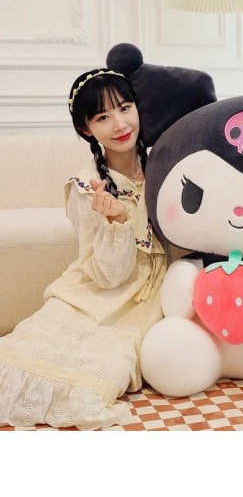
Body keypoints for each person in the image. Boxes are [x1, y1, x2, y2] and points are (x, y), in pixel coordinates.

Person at [0, 69, 167, 430]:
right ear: (86, 129)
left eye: (125, 108)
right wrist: (117, 221)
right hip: (103, 289)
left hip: (155, 292)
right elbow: (109, 276)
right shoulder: (86, 187)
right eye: (103, 117)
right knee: (40, 353)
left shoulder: (165, 163)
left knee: (110, 363)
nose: (119, 124)